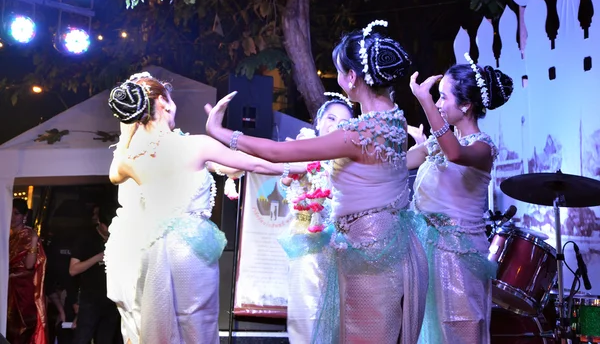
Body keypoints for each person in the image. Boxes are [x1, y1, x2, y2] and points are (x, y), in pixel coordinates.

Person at [205, 20, 429, 344]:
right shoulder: (393, 120)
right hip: (383, 245)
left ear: (352, 78)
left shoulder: (359, 134)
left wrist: (223, 132)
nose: (338, 77)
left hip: (370, 252)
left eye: (339, 71)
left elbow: (277, 151)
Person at [106, 72, 305, 344]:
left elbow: (114, 175)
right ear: (164, 103)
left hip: (152, 247)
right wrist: (302, 165)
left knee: (157, 326)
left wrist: (128, 130)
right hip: (190, 248)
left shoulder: (131, 157)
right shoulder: (196, 145)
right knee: (197, 323)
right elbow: (254, 164)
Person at [407, 53, 513, 343]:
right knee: (431, 332)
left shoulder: (483, 146)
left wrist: (425, 101)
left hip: (460, 254)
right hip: (430, 249)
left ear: (466, 105)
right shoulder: (436, 143)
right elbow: (401, 163)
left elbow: (455, 153)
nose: (439, 104)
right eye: (437, 99)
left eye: (443, 98)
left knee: (461, 328)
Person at [278, 93, 353, 343]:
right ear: (318, 122)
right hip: (309, 246)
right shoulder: (302, 150)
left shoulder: (351, 162)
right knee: (307, 314)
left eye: (343, 122)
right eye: (331, 118)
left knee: (339, 319)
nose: (335, 125)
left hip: (343, 249)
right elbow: (285, 179)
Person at [69, 205, 122, 344]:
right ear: (99, 221)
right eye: (107, 227)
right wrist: (98, 257)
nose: (109, 231)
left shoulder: (119, 238)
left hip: (113, 301)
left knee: (106, 339)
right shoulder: (86, 238)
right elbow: (73, 270)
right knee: (82, 338)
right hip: (90, 300)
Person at [7, 198, 48, 344]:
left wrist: (34, 241)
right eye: (10, 213)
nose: (12, 217)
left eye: (16, 214)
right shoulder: (4, 233)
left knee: (20, 330)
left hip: (22, 289)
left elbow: (30, 265)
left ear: (24, 216)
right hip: (5, 288)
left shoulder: (29, 235)